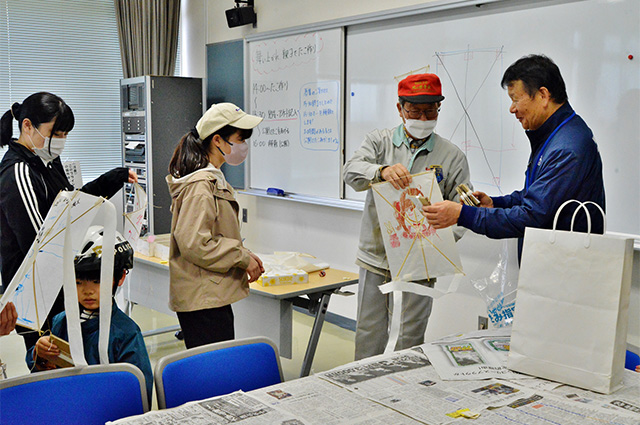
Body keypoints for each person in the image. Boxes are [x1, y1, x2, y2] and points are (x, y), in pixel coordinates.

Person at [343, 73, 472, 360]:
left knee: (410, 338)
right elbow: (350, 172)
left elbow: (463, 208)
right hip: (375, 257)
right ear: (400, 108)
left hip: (421, 263)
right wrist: (380, 171)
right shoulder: (379, 143)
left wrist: (439, 242)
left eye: (430, 110)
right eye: (415, 110)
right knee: (368, 334)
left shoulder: (452, 156)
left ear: (439, 109)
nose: (422, 117)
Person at [425, 55, 605, 258]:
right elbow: (536, 195)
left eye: (516, 100)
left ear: (543, 95)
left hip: (565, 270)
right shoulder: (556, 135)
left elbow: (532, 215)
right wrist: (497, 203)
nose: (512, 109)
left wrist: (462, 215)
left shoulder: (567, 147)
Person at [0, 92, 137, 350]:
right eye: (56, 133)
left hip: (64, 289)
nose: (61, 141)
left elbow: (72, 205)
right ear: (27, 126)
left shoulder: (48, 162)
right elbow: (41, 244)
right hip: (41, 299)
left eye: (65, 134)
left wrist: (112, 179)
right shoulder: (17, 173)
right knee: (54, 370)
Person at [166, 102, 265, 349]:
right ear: (218, 140)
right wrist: (240, 257)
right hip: (203, 298)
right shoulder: (201, 186)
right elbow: (195, 243)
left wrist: (244, 254)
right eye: (240, 139)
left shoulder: (209, 179)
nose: (244, 147)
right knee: (212, 373)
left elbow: (212, 235)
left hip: (209, 293)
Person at [27, 226, 153, 401]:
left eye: (97, 281)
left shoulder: (126, 332)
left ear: (120, 277)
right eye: (78, 282)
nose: (88, 291)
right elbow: (41, 374)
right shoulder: (61, 321)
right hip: (66, 404)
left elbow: (140, 388)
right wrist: (39, 355)